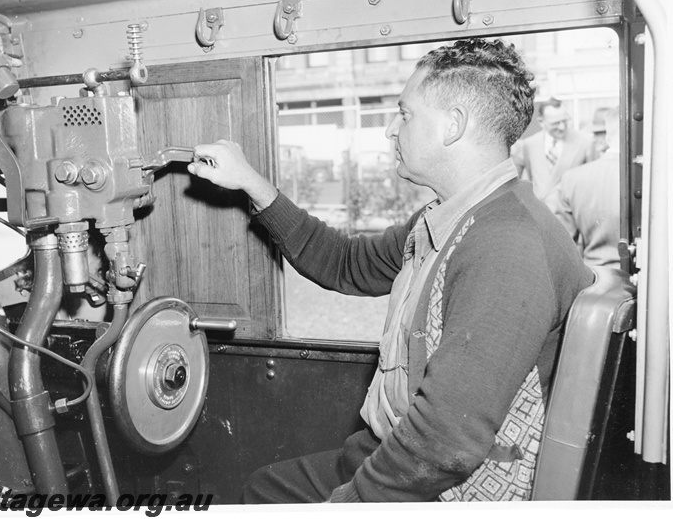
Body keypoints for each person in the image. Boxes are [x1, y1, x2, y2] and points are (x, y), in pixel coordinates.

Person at [187, 38, 593, 503]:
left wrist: (345, 507)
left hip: (450, 490)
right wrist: (252, 184)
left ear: (453, 126)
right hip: (390, 450)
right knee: (265, 487)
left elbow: (445, 443)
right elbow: (344, 263)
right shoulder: (454, 216)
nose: (389, 129)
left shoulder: (506, 245)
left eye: (404, 113)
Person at [549, 107, 621, 268]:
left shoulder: (572, 179)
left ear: (608, 137)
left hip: (596, 279)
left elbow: (563, 246)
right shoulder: (654, 177)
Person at [510, 97, 596, 208]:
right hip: (540, 212)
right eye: (555, 123)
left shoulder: (585, 142)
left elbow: (592, 184)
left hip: (570, 214)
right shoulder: (529, 144)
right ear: (541, 122)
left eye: (565, 121)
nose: (561, 127)